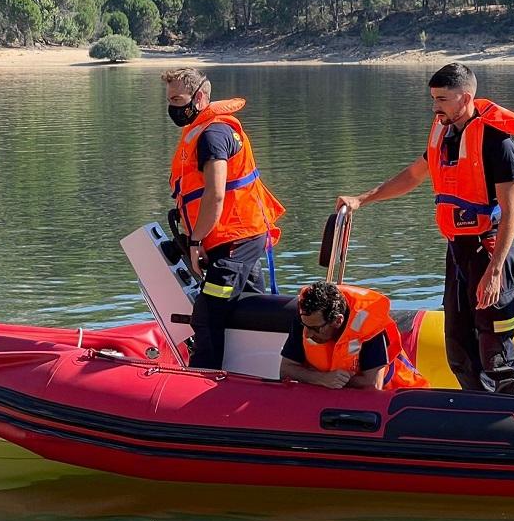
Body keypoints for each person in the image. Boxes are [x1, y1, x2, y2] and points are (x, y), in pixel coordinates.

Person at [337, 63, 514, 395]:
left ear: (464, 97)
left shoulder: (497, 142)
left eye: (441, 99)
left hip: (488, 251)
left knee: (494, 349)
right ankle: (478, 409)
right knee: (457, 349)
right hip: (456, 252)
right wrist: (361, 199)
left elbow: (512, 211)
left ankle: (512, 415)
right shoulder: (443, 131)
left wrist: (496, 270)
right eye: (433, 99)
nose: (435, 106)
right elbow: (413, 175)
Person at [163, 67, 286, 369]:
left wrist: (195, 241)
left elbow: (215, 195)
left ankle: (204, 383)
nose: (174, 108)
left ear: (200, 96)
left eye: (179, 99)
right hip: (232, 236)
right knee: (248, 303)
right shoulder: (204, 131)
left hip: (236, 237)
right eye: (170, 100)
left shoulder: (213, 135)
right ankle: (257, 372)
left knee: (207, 314)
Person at [281, 281, 428, 390]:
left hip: (398, 393)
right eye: (304, 326)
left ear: (338, 320)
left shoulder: (369, 325)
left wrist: (330, 381)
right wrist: (321, 378)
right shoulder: (307, 316)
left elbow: (373, 385)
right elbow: (286, 370)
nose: (306, 334)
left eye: (315, 329)